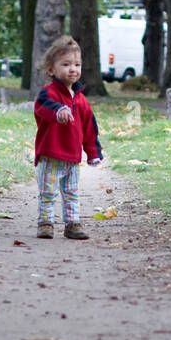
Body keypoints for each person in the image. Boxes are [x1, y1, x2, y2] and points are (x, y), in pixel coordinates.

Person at [33, 36, 103, 240]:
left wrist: (93, 153)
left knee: (72, 192)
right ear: (51, 69)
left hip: (72, 158)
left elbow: (90, 128)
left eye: (77, 64)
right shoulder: (48, 94)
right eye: (66, 64)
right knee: (48, 192)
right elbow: (42, 107)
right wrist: (58, 110)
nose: (73, 69)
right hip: (50, 154)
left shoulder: (81, 100)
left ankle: (72, 223)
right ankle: (45, 222)